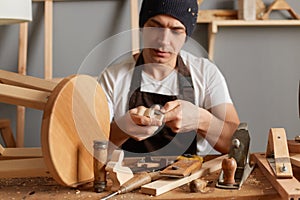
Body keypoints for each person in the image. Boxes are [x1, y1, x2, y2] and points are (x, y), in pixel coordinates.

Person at [99, 0, 240, 157]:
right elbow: (90, 149)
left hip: (189, 178)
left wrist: (202, 120)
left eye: (176, 30)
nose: (164, 40)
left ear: (186, 35)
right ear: (142, 27)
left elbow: (237, 143)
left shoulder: (205, 73)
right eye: (156, 26)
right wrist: (121, 129)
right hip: (129, 178)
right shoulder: (113, 77)